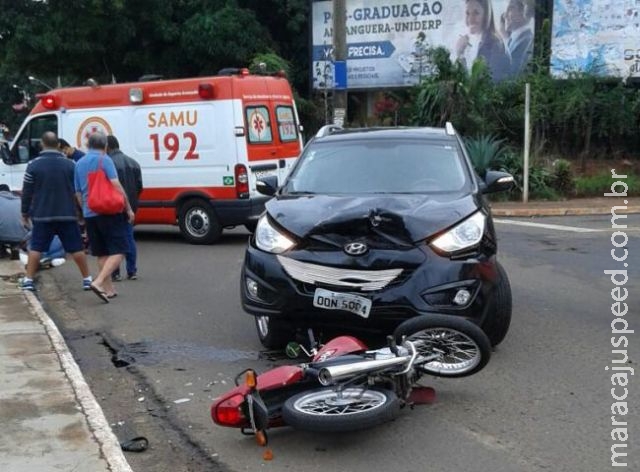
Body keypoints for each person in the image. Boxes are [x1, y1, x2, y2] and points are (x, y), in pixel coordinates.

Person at [19, 132, 91, 291]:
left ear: (42, 144)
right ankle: (87, 279)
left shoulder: (33, 165)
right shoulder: (70, 165)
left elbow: (27, 192)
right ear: (58, 145)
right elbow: (78, 191)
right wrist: (82, 212)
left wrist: (24, 213)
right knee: (76, 248)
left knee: (36, 248)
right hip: (67, 214)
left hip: (42, 215)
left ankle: (29, 280)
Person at [74, 131, 135, 302]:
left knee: (102, 253)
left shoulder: (79, 163)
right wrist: (128, 208)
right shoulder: (105, 160)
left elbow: (78, 193)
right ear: (105, 146)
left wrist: (85, 210)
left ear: (87, 145)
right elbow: (117, 186)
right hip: (108, 212)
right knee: (120, 250)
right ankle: (99, 282)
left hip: (90, 213)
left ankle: (109, 290)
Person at [107, 135, 142, 281]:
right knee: (129, 238)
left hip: (114, 207)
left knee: (114, 240)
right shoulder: (133, 162)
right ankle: (132, 270)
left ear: (107, 147)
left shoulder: (109, 164)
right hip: (131, 207)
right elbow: (140, 187)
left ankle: (115, 272)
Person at [455, 0, 511, 82]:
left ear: (486, 15)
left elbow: (476, 86)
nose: (471, 19)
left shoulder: (494, 45)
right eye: (467, 13)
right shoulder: (481, 41)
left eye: (476, 13)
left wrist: (460, 55)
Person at [500, 0, 534, 77]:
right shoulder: (513, 39)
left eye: (510, 9)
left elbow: (511, 73)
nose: (505, 15)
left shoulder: (527, 41)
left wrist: (504, 39)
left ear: (523, 12)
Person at [0, 184, 28, 258]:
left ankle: (2, 251)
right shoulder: (19, 200)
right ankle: (14, 249)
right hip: (20, 236)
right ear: (9, 192)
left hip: (2, 235)